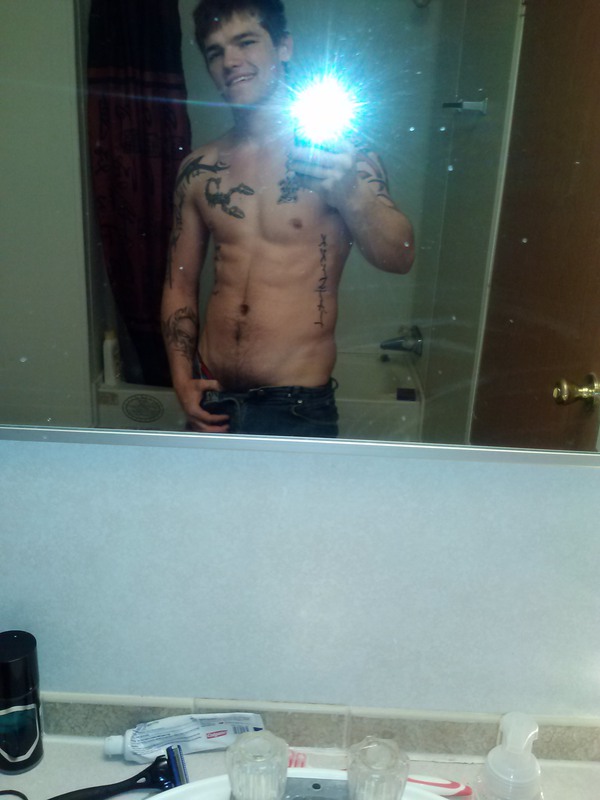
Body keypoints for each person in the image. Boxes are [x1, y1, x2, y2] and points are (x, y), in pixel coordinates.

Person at [161, 0, 414, 436]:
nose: (230, 61)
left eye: (246, 42)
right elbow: (178, 285)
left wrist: (351, 192)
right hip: (212, 395)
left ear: (284, 47)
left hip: (296, 407)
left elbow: (400, 257)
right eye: (215, 51)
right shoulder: (200, 170)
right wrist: (182, 380)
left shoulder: (340, 157)